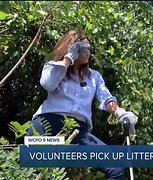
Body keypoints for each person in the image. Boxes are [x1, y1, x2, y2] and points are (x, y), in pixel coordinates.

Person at [26, 30, 137, 179]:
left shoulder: (94, 77)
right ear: (72, 47)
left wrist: (120, 112)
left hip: (78, 131)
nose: (88, 52)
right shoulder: (54, 67)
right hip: (47, 124)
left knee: (116, 166)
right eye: (83, 48)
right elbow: (48, 83)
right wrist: (68, 59)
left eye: (89, 49)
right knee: (36, 173)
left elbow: (106, 98)